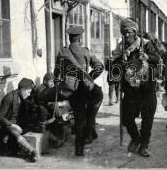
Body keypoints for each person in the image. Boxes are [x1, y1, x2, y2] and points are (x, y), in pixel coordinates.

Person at [111, 18, 159, 157]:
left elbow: (158, 59)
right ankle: (136, 138)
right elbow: (114, 68)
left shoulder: (146, 44)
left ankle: (144, 145)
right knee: (126, 117)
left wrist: (147, 57)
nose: (126, 35)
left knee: (147, 119)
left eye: (129, 32)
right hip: (130, 91)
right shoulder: (120, 48)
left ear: (134, 32)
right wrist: (120, 62)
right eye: (123, 32)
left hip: (147, 89)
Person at [54, 26, 104, 156]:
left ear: (69, 38)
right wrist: (90, 78)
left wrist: (59, 85)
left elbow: (56, 73)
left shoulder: (62, 52)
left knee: (79, 118)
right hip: (85, 88)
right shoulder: (86, 52)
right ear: (80, 38)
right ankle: (89, 134)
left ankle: (79, 149)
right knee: (90, 111)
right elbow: (99, 66)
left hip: (71, 90)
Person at [0, 78, 40, 162]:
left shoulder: (21, 97)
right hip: (3, 126)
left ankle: (24, 150)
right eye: (28, 92)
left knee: (29, 127)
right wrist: (13, 125)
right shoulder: (9, 97)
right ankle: (32, 151)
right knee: (15, 133)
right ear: (23, 90)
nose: (29, 95)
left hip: (13, 125)